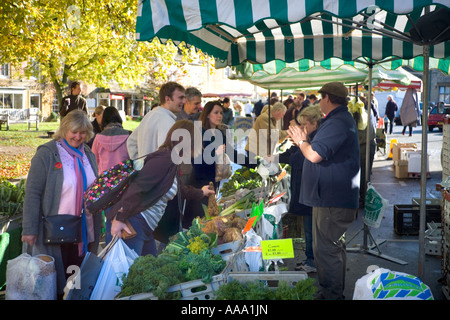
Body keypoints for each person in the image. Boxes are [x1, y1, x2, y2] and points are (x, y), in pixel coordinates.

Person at [287, 81, 360, 300]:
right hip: (329, 197)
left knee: (327, 250)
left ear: (327, 98)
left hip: (332, 198)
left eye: (321, 98)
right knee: (330, 249)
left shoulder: (338, 121)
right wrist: (305, 140)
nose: (319, 103)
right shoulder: (336, 120)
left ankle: (332, 295)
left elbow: (314, 155)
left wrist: (301, 141)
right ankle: (329, 291)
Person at [21, 110, 101, 298]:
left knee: (76, 280)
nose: (78, 136)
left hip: (82, 231)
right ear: (64, 129)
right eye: (74, 131)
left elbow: (95, 187)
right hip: (56, 231)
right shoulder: (47, 154)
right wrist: (29, 228)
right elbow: (33, 192)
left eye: (82, 132)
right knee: (55, 282)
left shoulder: (87, 153)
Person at [104, 120, 215, 256]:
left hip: (145, 226)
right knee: (126, 273)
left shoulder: (172, 161)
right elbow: (138, 187)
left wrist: (201, 192)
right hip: (132, 223)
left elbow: (180, 189)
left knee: (148, 269)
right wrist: (119, 218)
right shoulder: (164, 159)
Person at [279, 105, 322, 273]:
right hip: (305, 192)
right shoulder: (307, 138)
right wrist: (275, 157)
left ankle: (312, 262)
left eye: (304, 125)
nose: (302, 129)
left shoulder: (315, 140)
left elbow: (306, 160)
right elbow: (293, 155)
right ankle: (310, 259)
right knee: (308, 229)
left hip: (311, 192)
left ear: (314, 123)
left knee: (311, 230)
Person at [127, 81, 185, 160]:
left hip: (147, 170)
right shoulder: (166, 121)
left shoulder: (149, 115)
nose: (184, 101)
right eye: (180, 98)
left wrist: (140, 163)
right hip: (160, 171)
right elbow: (166, 153)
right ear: (167, 99)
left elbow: (131, 142)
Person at [91, 106, 130, 173]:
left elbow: (94, 161)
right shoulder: (128, 136)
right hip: (124, 177)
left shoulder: (98, 138)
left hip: (104, 178)